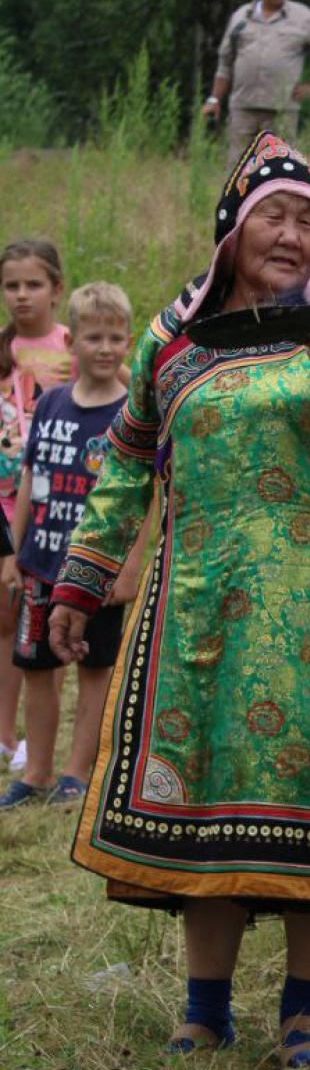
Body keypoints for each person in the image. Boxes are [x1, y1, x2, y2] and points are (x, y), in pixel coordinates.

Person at [48, 132, 310, 1068]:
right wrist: (82, 576)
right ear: (232, 226)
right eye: (274, 213)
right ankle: (205, 1008)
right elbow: (125, 464)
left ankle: (307, 1007)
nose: (292, 233)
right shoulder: (171, 340)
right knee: (203, 803)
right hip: (201, 611)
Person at [1, 283, 146, 808]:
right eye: (93, 338)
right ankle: (36, 771)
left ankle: (76, 772)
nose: (104, 349)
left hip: (98, 575)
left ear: (128, 343)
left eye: (115, 339)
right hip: (40, 567)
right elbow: (29, 482)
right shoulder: (53, 403)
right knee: (37, 667)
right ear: (72, 343)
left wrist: (127, 570)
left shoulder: (132, 416)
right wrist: (13, 557)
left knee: (92, 668)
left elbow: (142, 502)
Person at [0, 238, 73, 771]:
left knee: (52, 626)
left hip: (58, 510)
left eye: (33, 284)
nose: (21, 295)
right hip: (5, 507)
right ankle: (4, 737)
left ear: (56, 288)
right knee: (5, 623)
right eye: (11, 286)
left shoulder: (75, 344)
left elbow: (119, 394)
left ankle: (40, 741)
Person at [201, 0, 310, 157]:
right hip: (243, 107)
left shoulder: (303, 18)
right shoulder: (241, 17)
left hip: (281, 109)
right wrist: (214, 99)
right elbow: (225, 61)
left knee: (278, 169)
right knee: (238, 169)